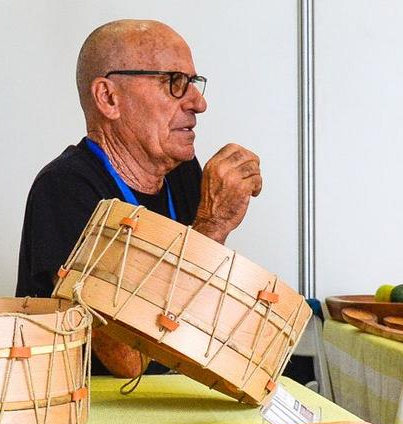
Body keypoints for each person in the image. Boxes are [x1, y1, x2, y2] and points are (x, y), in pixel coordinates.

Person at [17, 19, 263, 379]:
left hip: (169, 397)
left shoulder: (183, 174)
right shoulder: (65, 187)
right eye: (175, 83)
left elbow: (204, 324)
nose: (199, 103)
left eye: (193, 83)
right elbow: (127, 360)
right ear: (109, 98)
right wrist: (211, 228)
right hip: (94, 408)